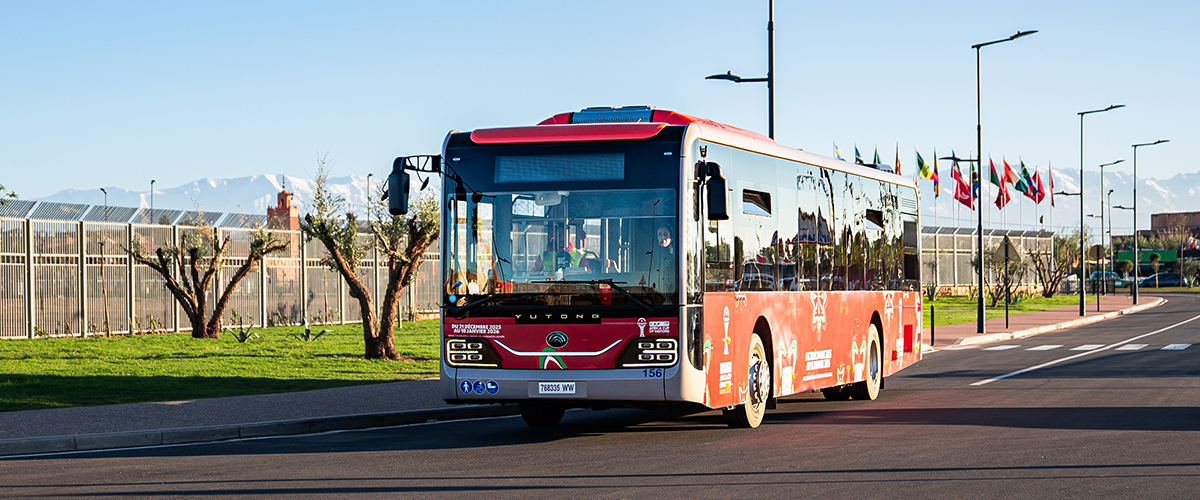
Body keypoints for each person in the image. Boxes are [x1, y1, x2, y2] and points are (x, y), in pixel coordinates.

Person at [649, 225, 676, 294]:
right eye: (659, 234)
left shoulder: (677, 255)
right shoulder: (651, 255)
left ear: (671, 237)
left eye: (665, 234)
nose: (663, 237)